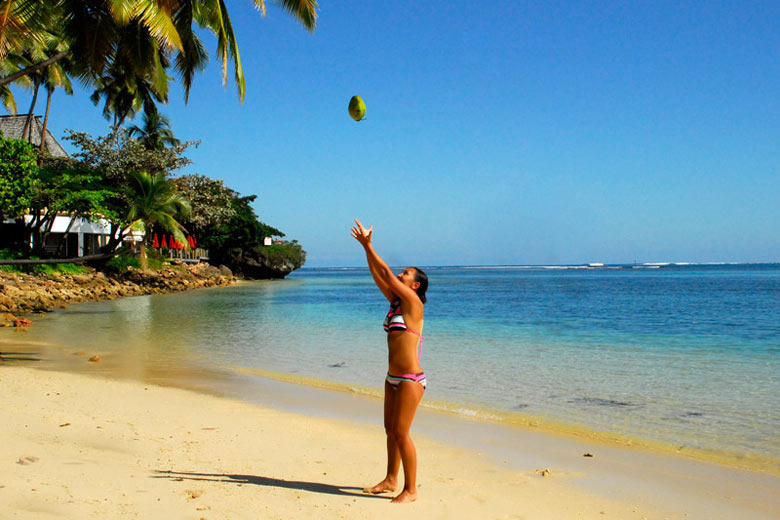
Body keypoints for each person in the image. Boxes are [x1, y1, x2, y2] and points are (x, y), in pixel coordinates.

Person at [351, 218, 429, 504]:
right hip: (392, 378)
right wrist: (365, 251)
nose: (399, 274)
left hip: (410, 379)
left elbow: (385, 271)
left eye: (405, 274)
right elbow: (379, 275)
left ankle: (411, 489)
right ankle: (390, 479)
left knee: (401, 433)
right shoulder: (396, 303)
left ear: (415, 284)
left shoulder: (413, 304)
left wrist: (369, 244)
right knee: (389, 431)